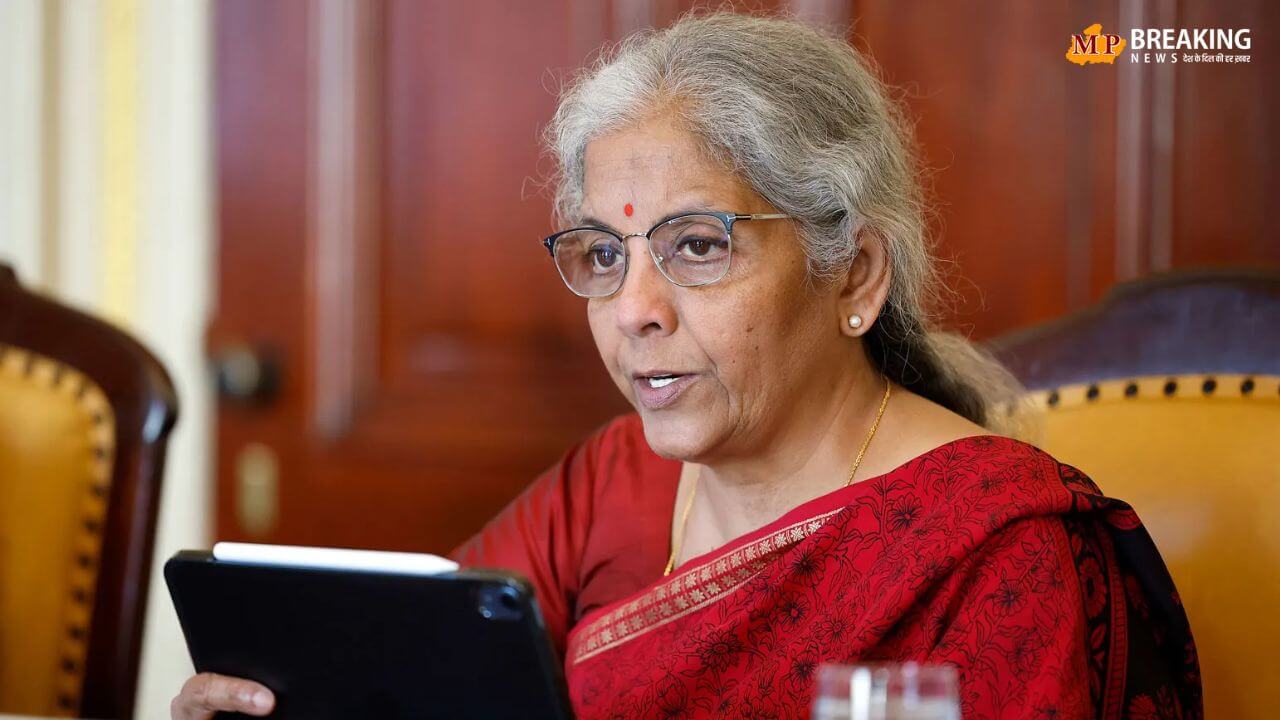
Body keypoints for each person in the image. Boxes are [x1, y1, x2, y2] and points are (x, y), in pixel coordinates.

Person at [171, 12, 1201, 719]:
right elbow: (413, 689)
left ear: (854, 273)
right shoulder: (610, 487)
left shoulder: (998, 550)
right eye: (602, 255)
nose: (634, 311)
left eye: (698, 246)